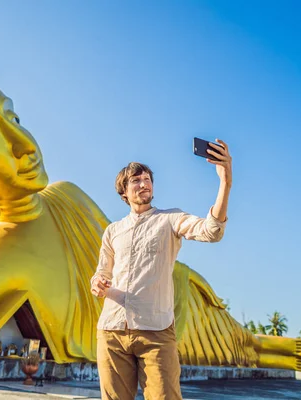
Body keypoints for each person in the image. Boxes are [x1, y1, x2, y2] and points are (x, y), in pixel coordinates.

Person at [0, 55, 301, 376]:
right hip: (139, 337)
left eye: (14, 118)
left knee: (247, 347)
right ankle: (286, 351)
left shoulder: (65, 194)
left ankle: (287, 350)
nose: (25, 145)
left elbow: (130, 249)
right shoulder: (4, 248)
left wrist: (223, 184)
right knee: (246, 352)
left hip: (174, 299)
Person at [91, 144, 232, 400]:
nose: (144, 184)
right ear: (123, 191)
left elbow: (212, 231)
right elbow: (102, 272)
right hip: (111, 330)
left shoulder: (170, 219)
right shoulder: (112, 231)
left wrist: (225, 183)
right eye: (136, 180)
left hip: (155, 330)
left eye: (147, 179)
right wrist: (98, 283)